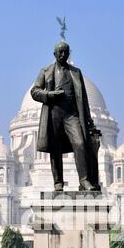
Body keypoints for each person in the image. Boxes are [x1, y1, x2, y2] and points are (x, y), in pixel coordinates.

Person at [31, 41, 101, 191]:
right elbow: (35, 91)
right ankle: (58, 183)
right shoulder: (45, 71)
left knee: (80, 144)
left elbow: (83, 99)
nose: (63, 54)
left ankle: (84, 180)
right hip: (53, 114)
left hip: (72, 115)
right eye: (60, 52)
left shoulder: (76, 72)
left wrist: (88, 120)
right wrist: (49, 94)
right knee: (55, 149)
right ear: (54, 54)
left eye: (66, 52)